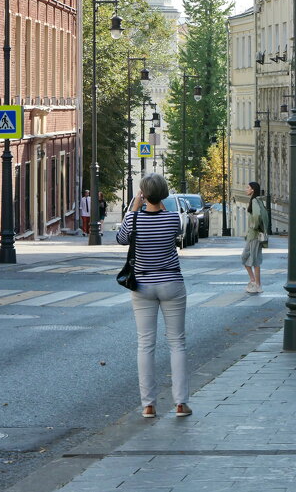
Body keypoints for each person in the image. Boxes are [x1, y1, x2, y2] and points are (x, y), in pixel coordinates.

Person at [116, 173, 191, 419]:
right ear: (165, 194)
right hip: (171, 282)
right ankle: (181, 403)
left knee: (145, 345)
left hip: (143, 285)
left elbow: (121, 239)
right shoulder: (172, 219)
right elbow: (177, 234)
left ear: (143, 194)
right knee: (177, 343)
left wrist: (134, 209)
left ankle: (148, 405)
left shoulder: (135, 219)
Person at [242, 181, 267, 294]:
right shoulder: (255, 200)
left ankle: (258, 285)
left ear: (252, 189)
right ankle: (253, 281)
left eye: (248, 187)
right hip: (251, 235)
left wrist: (254, 226)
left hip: (255, 235)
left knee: (255, 259)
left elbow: (257, 215)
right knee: (244, 257)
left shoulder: (255, 200)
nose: (246, 189)